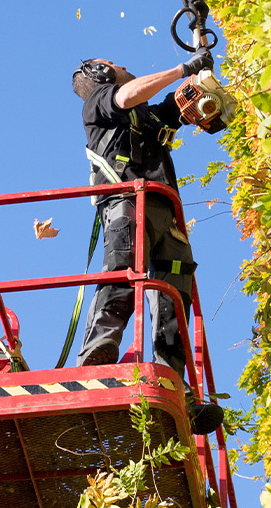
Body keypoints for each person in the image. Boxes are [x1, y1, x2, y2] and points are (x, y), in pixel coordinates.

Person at [71, 51, 225, 434]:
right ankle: (96, 357)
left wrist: (201, 83)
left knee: (174, 294)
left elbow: (174, 108)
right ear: (101, 72)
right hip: (128, 203)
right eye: (116, 63)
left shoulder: (145, 114)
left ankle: (172, 382)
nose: (124, 65)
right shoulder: (101, 101)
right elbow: (127, 96)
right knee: (123, 275)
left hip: (165, 211)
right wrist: (180, 70)